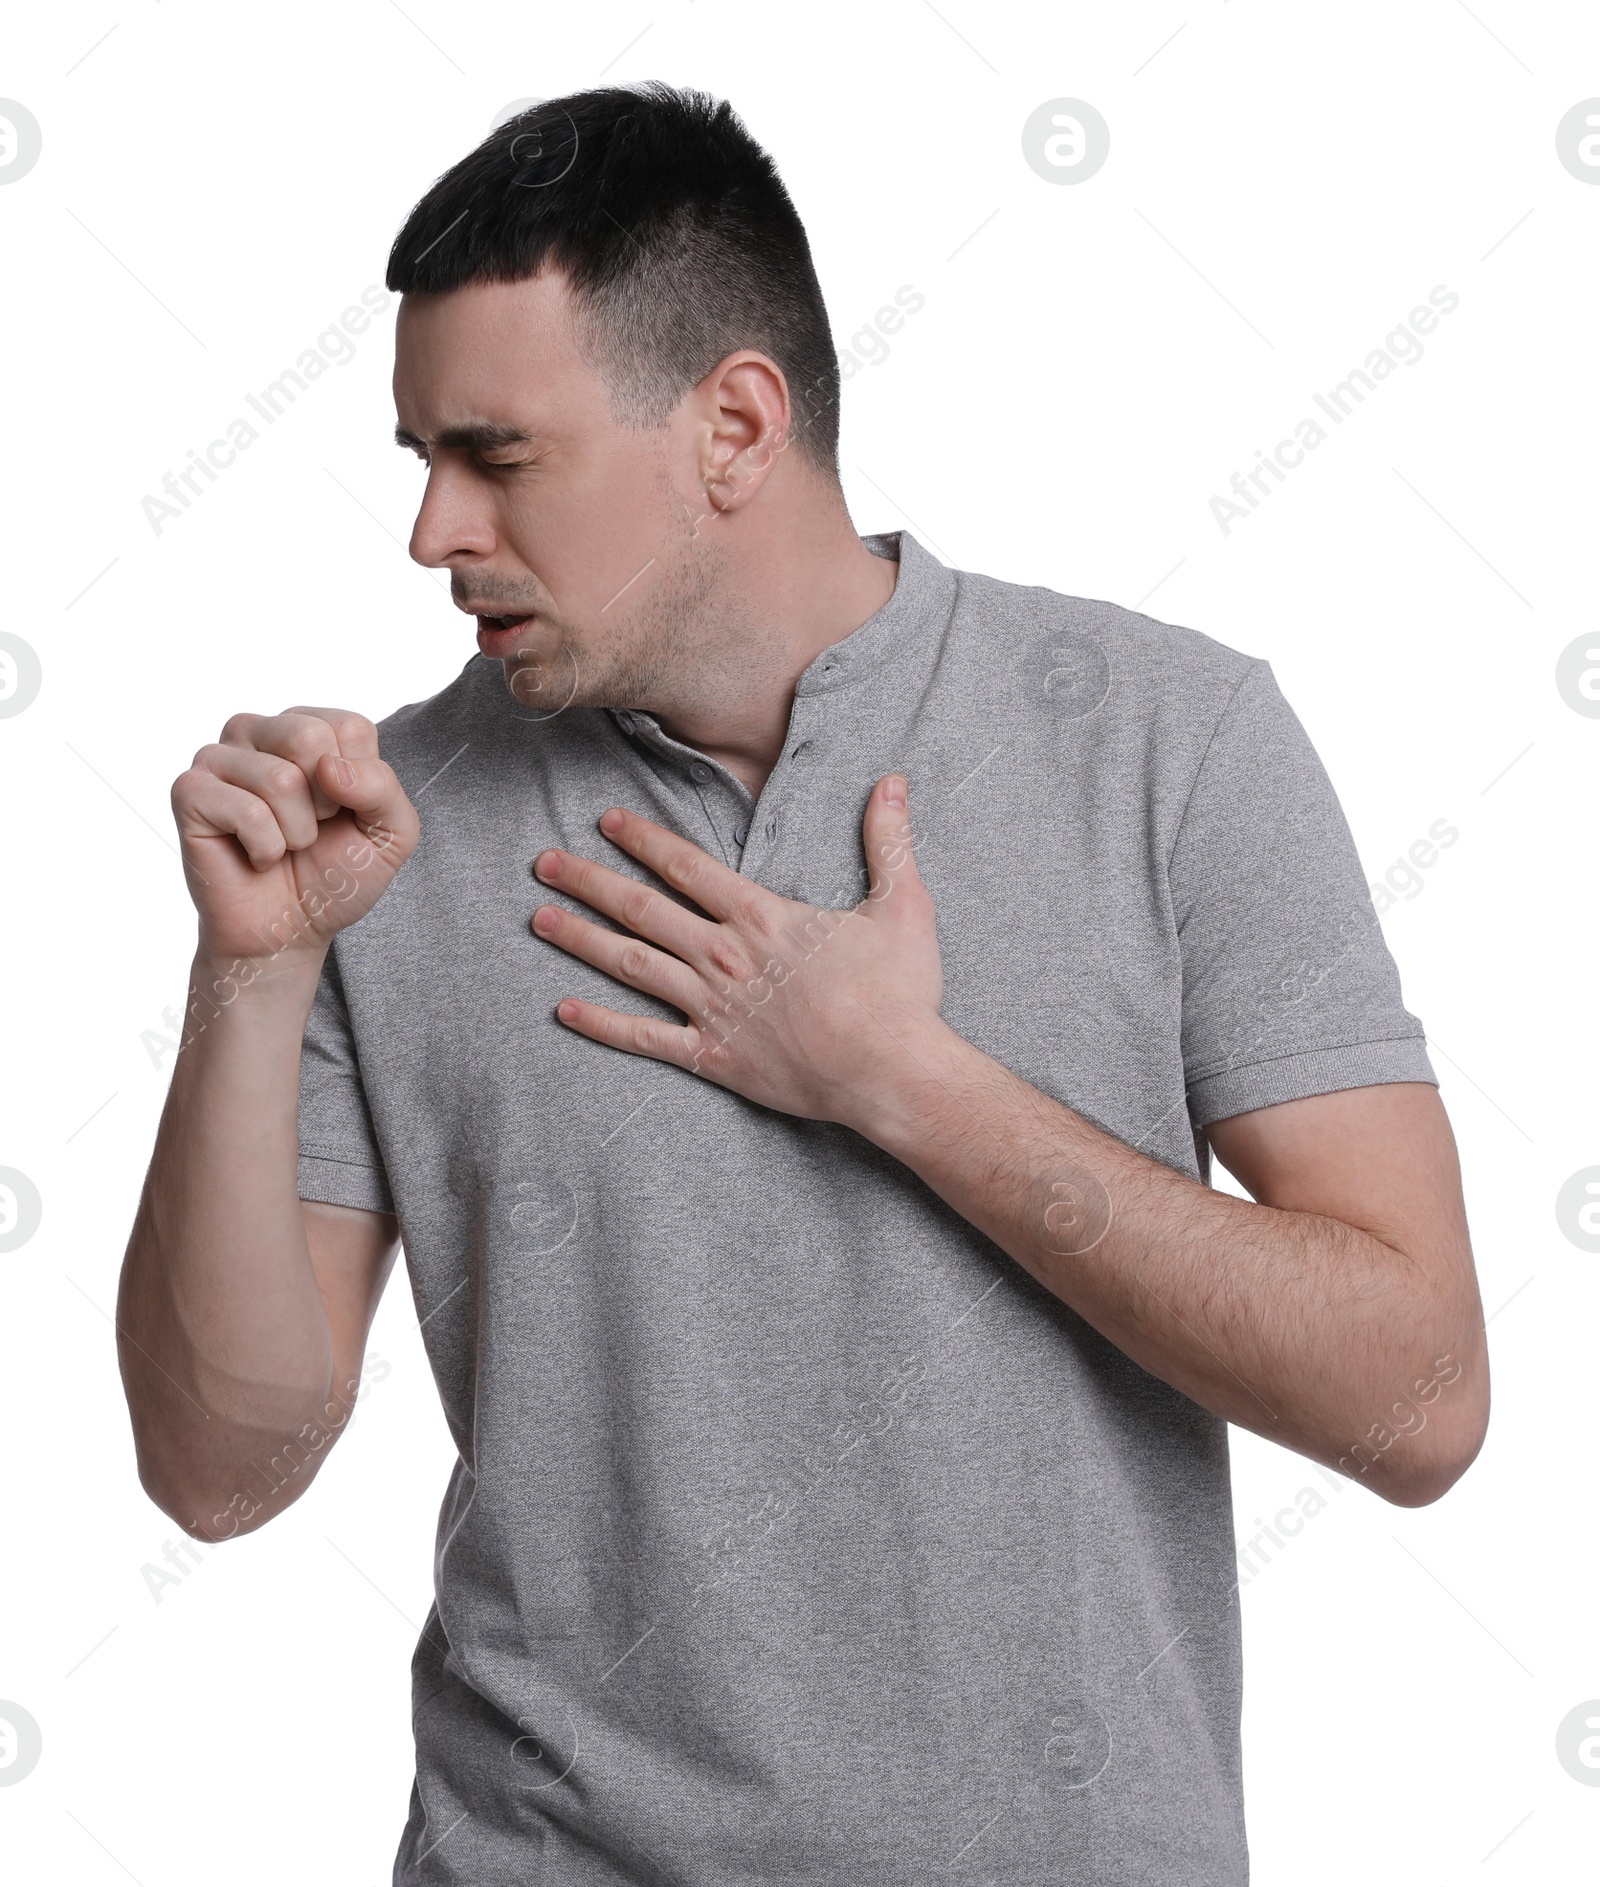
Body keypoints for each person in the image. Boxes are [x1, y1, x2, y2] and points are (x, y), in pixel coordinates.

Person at [117, 81, 1489, 1885]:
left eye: (497, 455)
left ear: (737, 427)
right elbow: (223, 1474)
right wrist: (255, 976)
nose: (433, 530)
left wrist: (900, 1081)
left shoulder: (1171, 742)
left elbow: (1420, 1403)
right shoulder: (381, 829)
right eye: (419, 460)